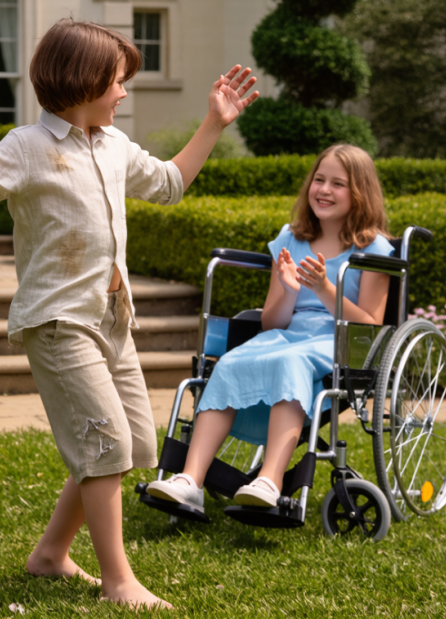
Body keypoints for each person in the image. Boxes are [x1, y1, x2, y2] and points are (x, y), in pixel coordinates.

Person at [0, 18, 258, 608]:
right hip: (58, 321)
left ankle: (51, 555)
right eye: (117, 81)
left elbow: (168, 184)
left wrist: (215, 122)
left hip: (112, 318)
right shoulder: (26, 147)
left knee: (130, 442)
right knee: (104, 445)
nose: (124, 93)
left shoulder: (113, 145)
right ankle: (119, 581)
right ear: (82, 80)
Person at [147, 144, 394, 513]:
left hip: (338, 342)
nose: (324, 190)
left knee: (291, 362)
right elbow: (272, 322)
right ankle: (190, 480)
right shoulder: (291, 239)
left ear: (360, 192)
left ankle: (270, 479)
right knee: (230, 362)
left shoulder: (373, 249)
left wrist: (324, 288)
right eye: (319, 180)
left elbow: (369, 326)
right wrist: (289, 291)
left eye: (338, 184)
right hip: (288, 334)